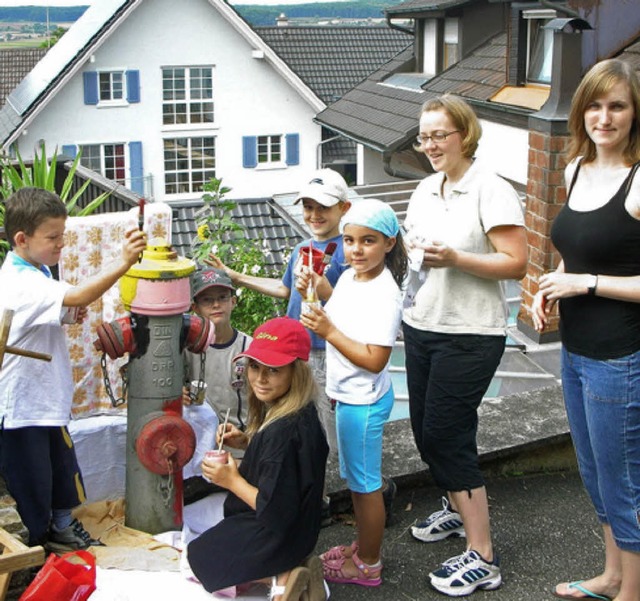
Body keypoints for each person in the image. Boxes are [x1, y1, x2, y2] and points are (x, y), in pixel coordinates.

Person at [402, 94, 527, 596]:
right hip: (422, 324)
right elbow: (414, 253)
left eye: (439, 134)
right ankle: (456, 512)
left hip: (470, 333)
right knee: (424, 433)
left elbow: (515, 262)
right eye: (424, 135)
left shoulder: (490, 190)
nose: (430, 144)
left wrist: (455, 257)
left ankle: (484, 556)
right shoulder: (426, 188)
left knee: (446, 438)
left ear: (464, 135)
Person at [533, 59, 640, 601]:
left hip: (622, 355)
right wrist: (548, 288)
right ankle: (612, 574)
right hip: (575, 350)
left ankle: (632, 591)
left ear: (634, 112)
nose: (604, 116)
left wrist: (588, 284)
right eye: (595, 105)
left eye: (617, 105)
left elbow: (597, 273)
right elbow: (572, 257)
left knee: (625, 482)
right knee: (595, 472)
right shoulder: (575, 169)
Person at [0, 187, 146, 550]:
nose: (61, 245)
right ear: (22, 239)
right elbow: (79, 294)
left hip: (46, 401)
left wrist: (67, 312)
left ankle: (63, 528)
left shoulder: (37, 273)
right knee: (33, 482)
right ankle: (39, 550)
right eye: (53, 238)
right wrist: (124, 261)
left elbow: (66, 303)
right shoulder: (19, 281)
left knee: (61, 471)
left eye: (63, 236)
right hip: (23, 409)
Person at [300, 198, 407, 588]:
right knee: (359, 483)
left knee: (365, 488)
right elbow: (337, 299)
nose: (356, 250)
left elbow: (375, 358)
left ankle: (368, 563)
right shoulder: (351, 277)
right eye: (349, 240)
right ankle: (363, 547)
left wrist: (328, 331)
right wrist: (316, 285)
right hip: (352, 395)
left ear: (389, 244)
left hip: (361, 400)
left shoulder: (384, 294)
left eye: (368, 241)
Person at [186, 317, 329, 601]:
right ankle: (295, 564)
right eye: (254, 366)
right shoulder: (302, 414)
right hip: (304, 529)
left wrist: (231, 480)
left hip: (279, 535)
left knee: (198, 555)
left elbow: (274, 508)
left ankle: (280, 578)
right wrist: (247, 442)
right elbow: (287, 469)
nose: (260, 379)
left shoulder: (281, 433)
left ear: (296, 372)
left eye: (273, 370)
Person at [182, 267, 252, 504]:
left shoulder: (249, 349)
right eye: (207, 300)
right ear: (195, 307)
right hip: (197, 449)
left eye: (222, 297)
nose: (216, 305)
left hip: (238, 446)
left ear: (233, 301)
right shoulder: (186, 349)